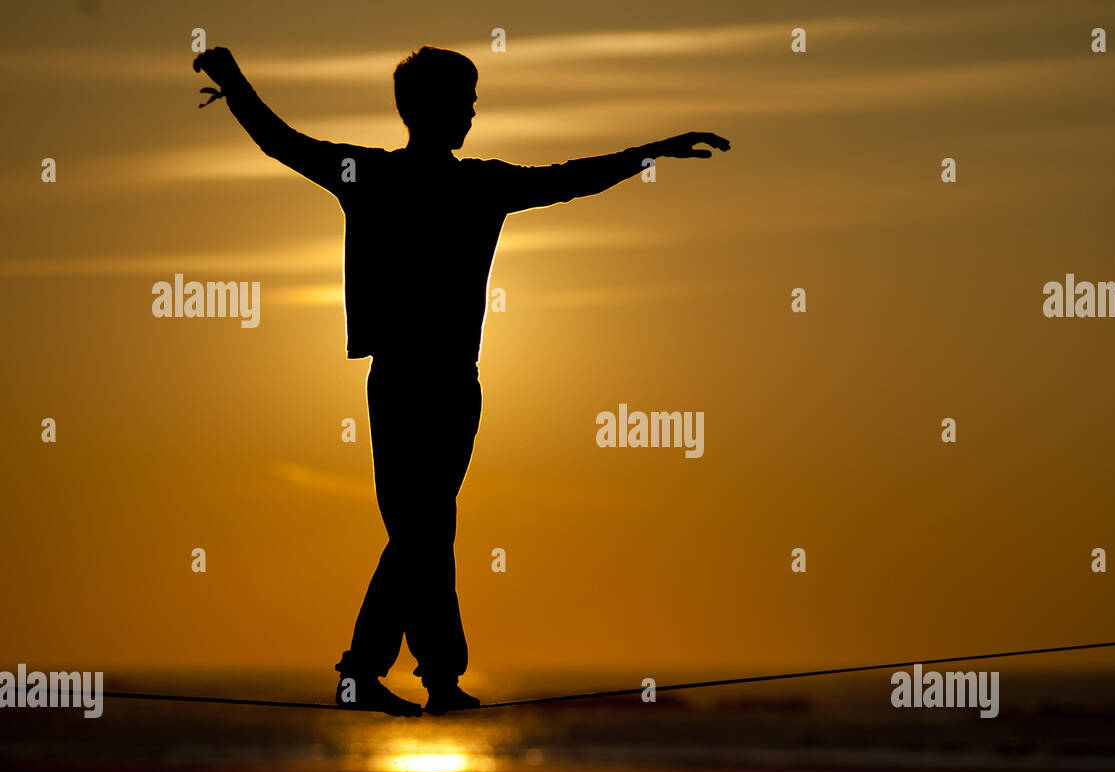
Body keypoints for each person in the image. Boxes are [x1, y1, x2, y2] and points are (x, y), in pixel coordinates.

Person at [193, 44, 730, 716]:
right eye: (465, 101)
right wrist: (234, 81)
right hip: (420, 383)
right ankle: (396, 672)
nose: (473, 113)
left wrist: (655, 151)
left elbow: (574, 177)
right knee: (422, 530)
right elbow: (283, 142)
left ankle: (418, 674)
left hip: (432, 385)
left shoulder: (433, 180)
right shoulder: (416, 179)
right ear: (432, 108)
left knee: (423, 529)